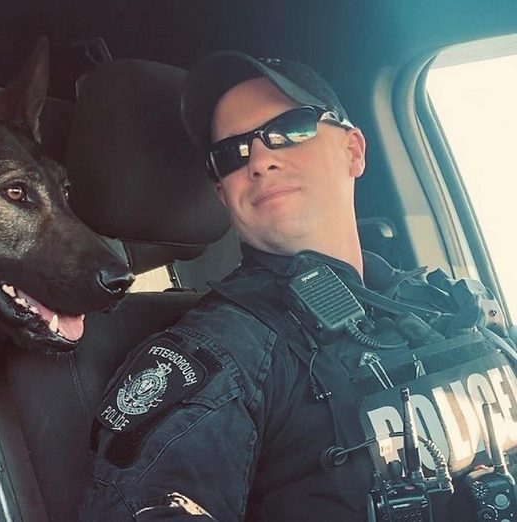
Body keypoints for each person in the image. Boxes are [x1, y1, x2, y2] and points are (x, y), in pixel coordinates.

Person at [82, 51, 517, 521]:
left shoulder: (446, 304)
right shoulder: (216, 356)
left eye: (289, 130)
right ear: (221, 193)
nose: (260, 161)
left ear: (353, 151)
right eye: (232, 153)